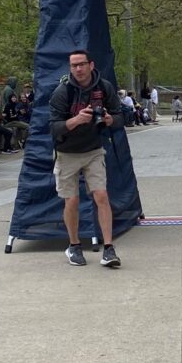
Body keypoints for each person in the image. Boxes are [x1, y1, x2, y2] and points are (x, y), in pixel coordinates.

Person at [48, 49, 124, 268]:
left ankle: (109, 248)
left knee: (101, 195)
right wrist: (76, 120)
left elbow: (120, 117)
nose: (78, 69)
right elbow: (53, 128)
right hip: (67, 152)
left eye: (81, 64)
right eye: (74, 66)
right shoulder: (63, 92)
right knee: (71, 200)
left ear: (91, 65)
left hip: (93, 150)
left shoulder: (104, 87)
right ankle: (74, 245)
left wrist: (110, 120)